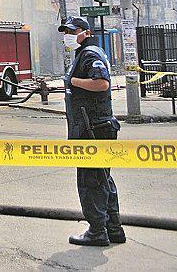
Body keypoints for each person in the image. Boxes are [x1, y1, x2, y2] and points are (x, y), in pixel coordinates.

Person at [59, 17, 124, 246]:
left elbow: (101, 83)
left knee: (91, 180)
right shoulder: (86, 52)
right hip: (95, 126)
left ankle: (97, 231)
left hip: (92, 128)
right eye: (65, 32)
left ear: (85, 32)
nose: (67, 35)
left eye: (71, 31)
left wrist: (73, 82)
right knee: (102, 178)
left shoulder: (89, 54)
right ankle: (113, 228)